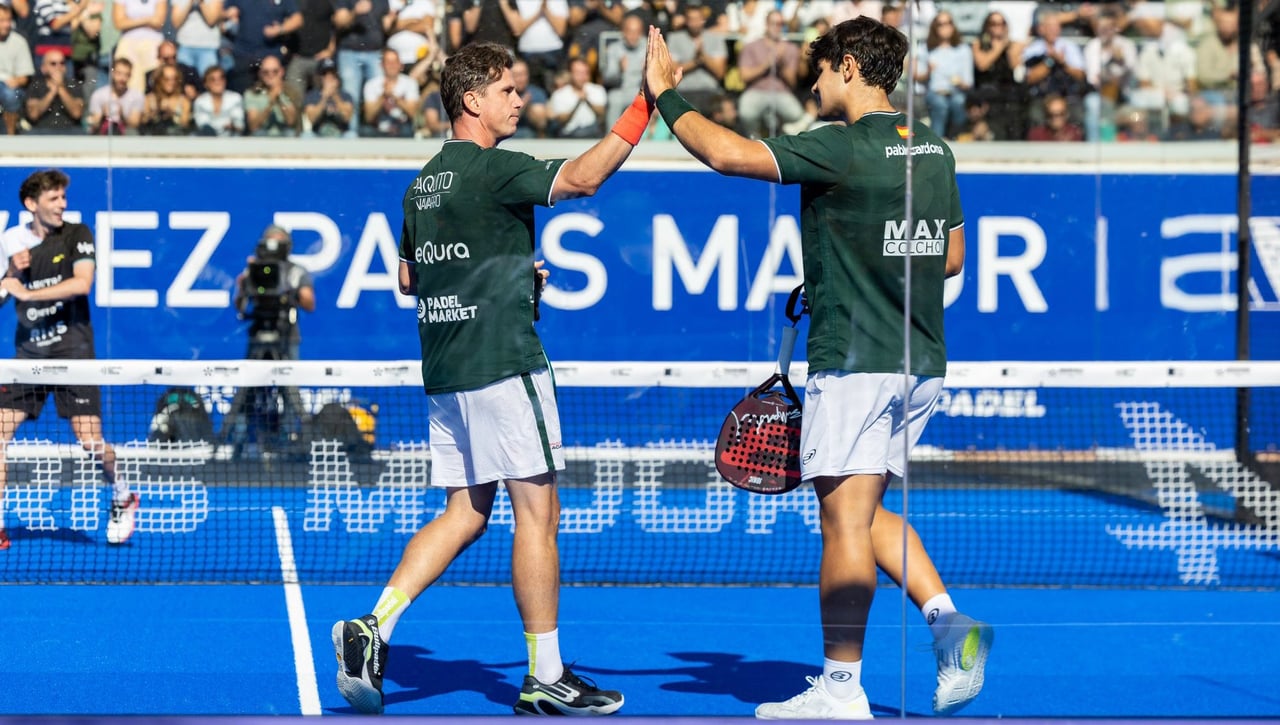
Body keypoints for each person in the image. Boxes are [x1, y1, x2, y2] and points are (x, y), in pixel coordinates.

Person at [643, 17, 992, 719]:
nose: (814, 84)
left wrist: (663, 97)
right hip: (919, 363)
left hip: (855, 362)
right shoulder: (935, 149)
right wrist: (848, 263)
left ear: (851, 67)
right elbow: (950, 258)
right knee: (864, 513)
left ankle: (841, 688)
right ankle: (951, 625)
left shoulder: (837, 145)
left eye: (823, 70)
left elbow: (729, 155)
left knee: (842, 524)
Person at [330, 39, 660, 716]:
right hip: (502, 362)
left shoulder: (421, 184)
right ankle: (545, 676)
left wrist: (503, 273)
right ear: (472, 99)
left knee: (466, 512)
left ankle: (375, 625)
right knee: (538, 514)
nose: (520, 99)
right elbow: (584, 178)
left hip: (446, 368)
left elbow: (410, 279)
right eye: (508, 90)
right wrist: (647, 102)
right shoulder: (495, 168)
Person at [0, 169, 137, 551]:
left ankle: (123, 494)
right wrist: (11, 272)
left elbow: (82, 283)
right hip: (29, 355)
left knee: (90, 441)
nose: (62, 204)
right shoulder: (10, 241)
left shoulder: (77, 234)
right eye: (54, 199)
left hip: (72, 351)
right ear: (31, 204)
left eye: (63, 197)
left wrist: (28, 294)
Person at [0, 4, 35, 135]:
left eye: (8, 20)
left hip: (10, 86)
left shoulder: (19, 41)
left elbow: (25, 76)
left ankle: (10, 136)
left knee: (10, 95)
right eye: (2, 21)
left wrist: (16, 81)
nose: (6, 25)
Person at [86, 55, 144, 134]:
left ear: (130, 76)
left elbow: (135, 124)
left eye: (126, 74)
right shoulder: (98, 95)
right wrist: (103, 115)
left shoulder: (137, 96)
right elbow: (92, 126)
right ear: (112, 73)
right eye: (119, 73)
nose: (122, 78)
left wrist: (122, 115)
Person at [193, 64, 245, 136]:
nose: (218, 82)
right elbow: (202, 125)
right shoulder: (200, 101)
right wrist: (224, 125)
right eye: (212, 79)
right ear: (206, 84)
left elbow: (239, 124)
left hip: (232, 138)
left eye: (221, 78)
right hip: (208, 139)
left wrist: (232, 126)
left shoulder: (235, 98)